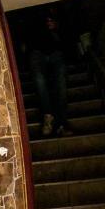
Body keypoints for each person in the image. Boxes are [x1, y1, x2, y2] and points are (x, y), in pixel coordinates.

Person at [26, 9, 74, 138]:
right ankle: (49, 116)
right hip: (36, 50)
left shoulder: (58, 12)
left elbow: (68, 34)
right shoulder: (33, 13)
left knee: (61, 82)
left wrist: (57, 28)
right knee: (39, 80)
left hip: (56, 51)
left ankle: (61, 122)